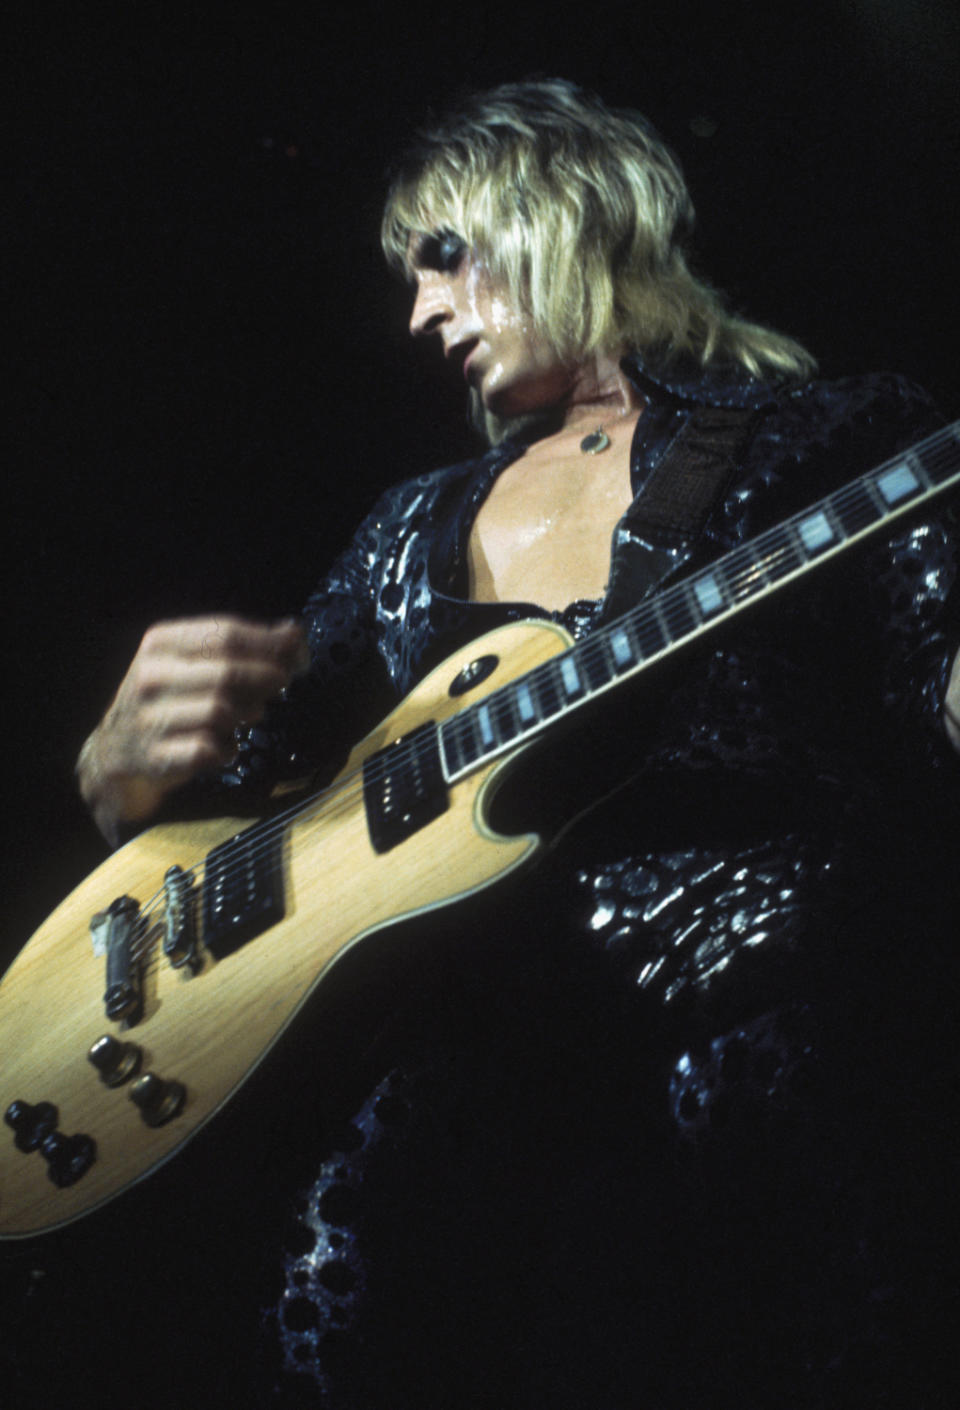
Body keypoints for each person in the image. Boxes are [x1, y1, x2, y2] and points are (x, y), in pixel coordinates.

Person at [75, 80, 959, 1408]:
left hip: (759, 1000)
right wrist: (119, 766)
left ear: (567, 207)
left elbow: (929, 670)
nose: (420, 313)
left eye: (443, 256)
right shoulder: (408, 522)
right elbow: (266, 788)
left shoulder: (831, 434)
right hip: (437, 1056)